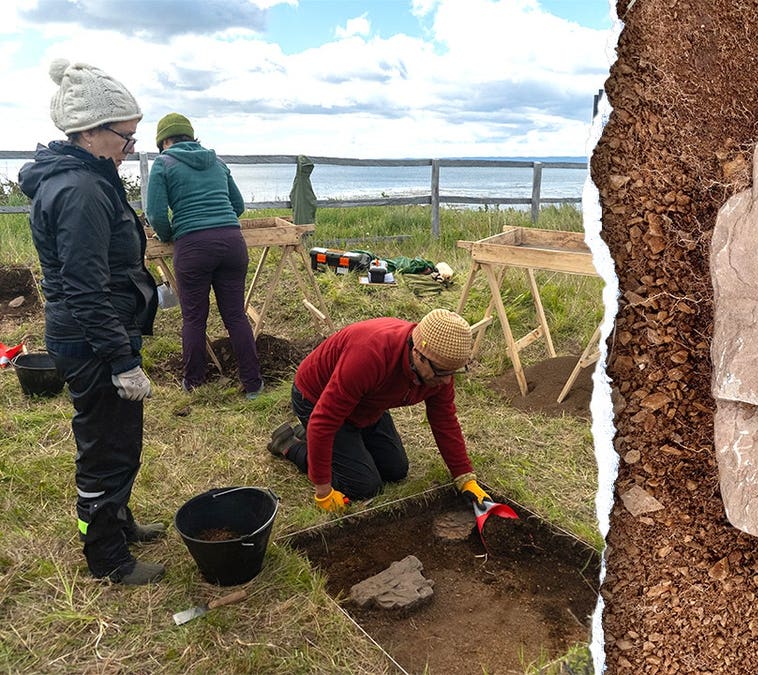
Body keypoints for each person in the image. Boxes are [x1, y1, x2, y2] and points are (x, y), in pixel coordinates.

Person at [19, 59, 164, 585]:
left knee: (120, 440)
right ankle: (107, 558)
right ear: (89, 131)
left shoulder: (93, 178)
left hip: (103, 333)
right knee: (104, 448)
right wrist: (121, 360)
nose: (131, 145)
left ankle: (119, 521)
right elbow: (85, 286)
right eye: (126, 135)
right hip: (92, 341)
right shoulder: (79, 192)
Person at [267, 309, 493, 512]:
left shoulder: (441, 366)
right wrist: (323, 492)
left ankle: (324, 441)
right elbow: (324, 420)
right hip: (316, 399)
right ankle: (290, 444)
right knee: (363, 485)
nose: (446, 382)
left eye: (453, 373)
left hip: (367, 404)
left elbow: (444, 419)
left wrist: (464, 477)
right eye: (442, 373)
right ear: (418, 354)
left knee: (396, 470)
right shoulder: (371, 354)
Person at [144, 113, 263, 397]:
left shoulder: (163, 163)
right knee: (235, 315)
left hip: (193, 247)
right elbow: (238, 205)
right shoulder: (217, 162)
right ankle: (253, 384)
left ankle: (194, 383)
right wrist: (219, 221)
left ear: (165, 141)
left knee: (195, 319)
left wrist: (169, 233)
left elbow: (156, 214)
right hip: (233, 244)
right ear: (191, 137)